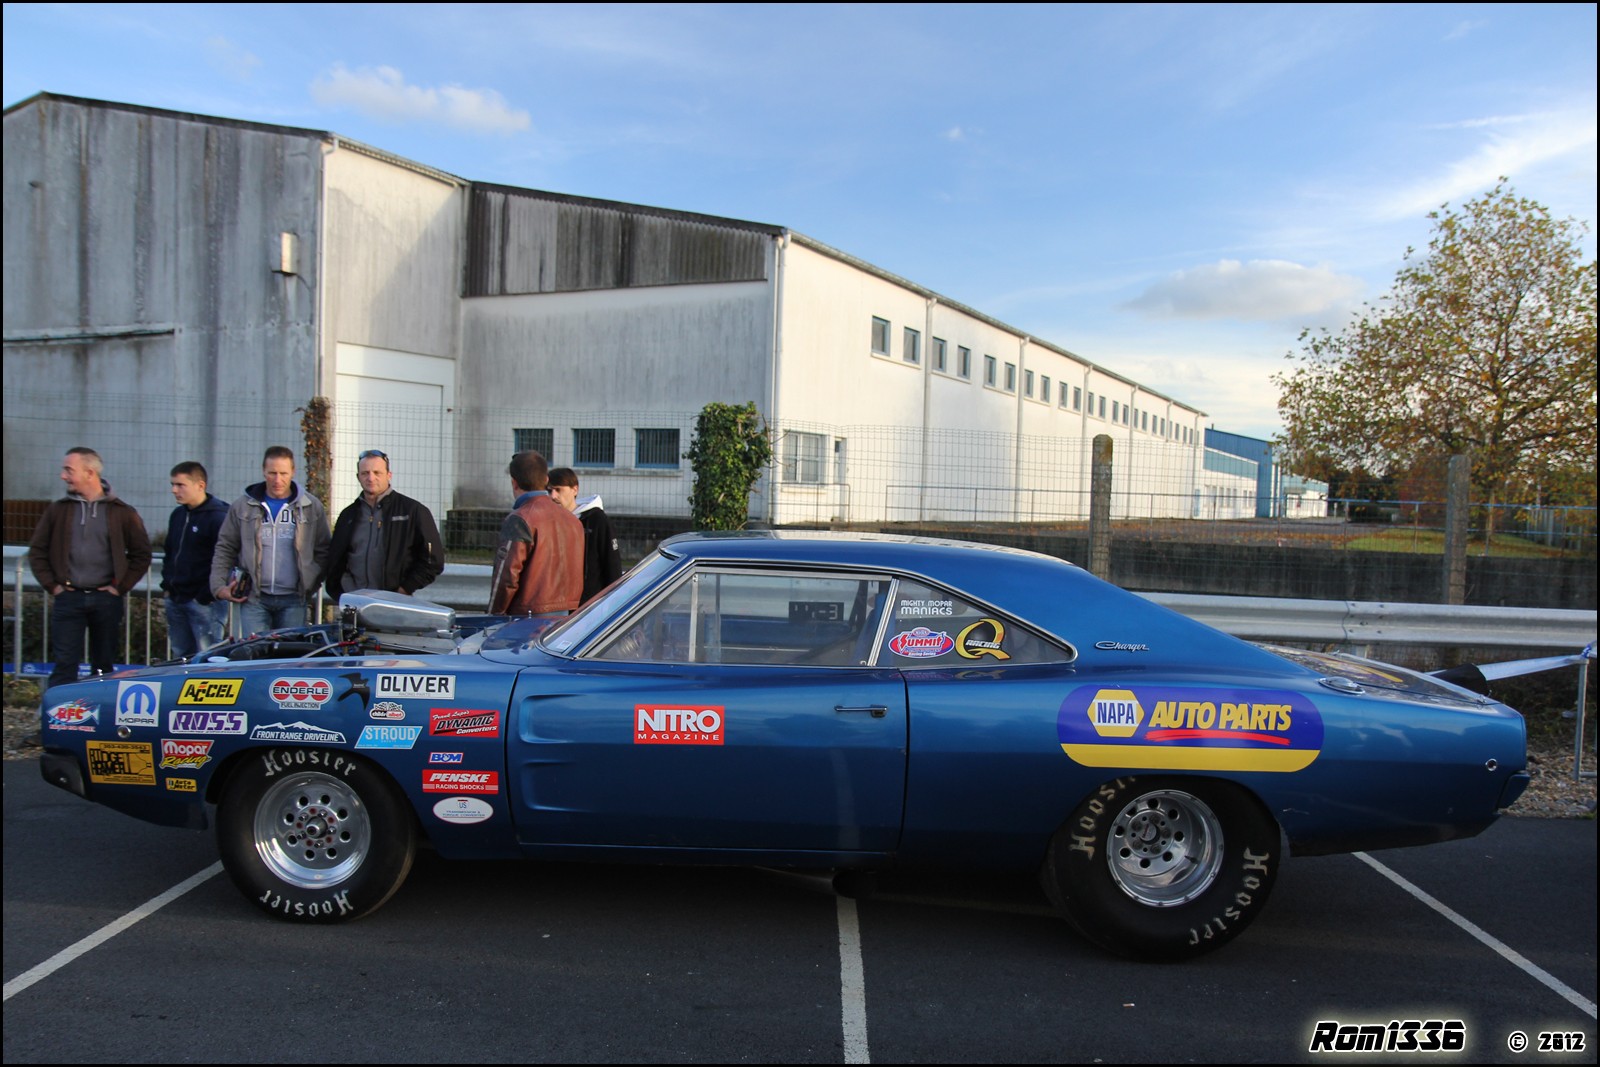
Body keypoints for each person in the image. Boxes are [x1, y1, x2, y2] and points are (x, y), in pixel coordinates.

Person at [28, 447, 153, 690]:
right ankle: (56, 720)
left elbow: (142, 554)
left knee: (102, 667)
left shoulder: (121, 512)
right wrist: (53, 587)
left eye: (68, 470)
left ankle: (99, 720)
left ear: (89, 472)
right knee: (64, 665)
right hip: (68, 598)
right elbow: (37, 551)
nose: (63, 476)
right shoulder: (59, 510)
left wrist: (120, 588)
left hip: (106, 600)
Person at [211, 445, 330, 634]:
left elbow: (323, 549)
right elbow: (225, 547)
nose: (278, 480)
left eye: (283, 473)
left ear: (293, 472)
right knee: (257, 656)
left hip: (294, 598)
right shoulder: (243, 506)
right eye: (272, 473)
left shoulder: (311, 506)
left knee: (289, 657)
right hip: (254, 598)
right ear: (263, 471)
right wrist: (218, 586)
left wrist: (311, 582)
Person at [324, 449, 445, 601]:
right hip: (355, 602)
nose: (371, 478)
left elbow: (433, 560)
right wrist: (342, 592)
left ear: (389, 475)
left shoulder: (412, 511)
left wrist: (404, 589)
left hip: (395, 603)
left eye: (377, 472)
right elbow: (336, 559)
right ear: (358, 477)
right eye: (365, 473)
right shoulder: (348, 516)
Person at [489, 450, 583, 616]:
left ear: (514, 483)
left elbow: (507, 575)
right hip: (566, 612)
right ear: (546, 479)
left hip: (527, 613)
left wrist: (494, 613)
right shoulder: (573, 520)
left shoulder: (520, 518)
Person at [161, 461, 230, 659]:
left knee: (207, 657)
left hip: (204, 602)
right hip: (176, 598)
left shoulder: (218, 517)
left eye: (180, 485)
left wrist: (205, 595)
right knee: (180, 655)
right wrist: (168, 586)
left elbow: (225, 560)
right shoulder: (178, 515)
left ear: (200, 485)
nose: (174, 490)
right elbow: (170, 553)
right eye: (173, 484)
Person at [547, 467, 623, 604]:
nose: (553, 496)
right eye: (549, 491)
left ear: (574, 489)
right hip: (557, 604)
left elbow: (612, 565)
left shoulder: (597, 520)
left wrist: (611, 602)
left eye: (558, 490)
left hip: (590, 605)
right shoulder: (548, 522)